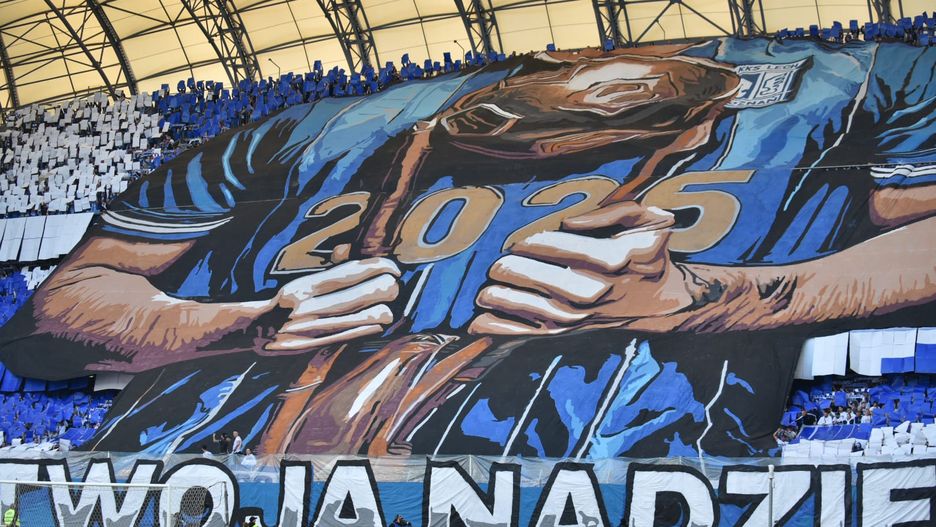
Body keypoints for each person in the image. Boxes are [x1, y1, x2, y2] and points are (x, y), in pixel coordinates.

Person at [3, 40, 936, 459]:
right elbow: (52, 313)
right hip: (204, 471)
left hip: (613, 467)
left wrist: (701, 296)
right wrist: (239, 324)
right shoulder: (291, 129)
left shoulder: (869, 77)